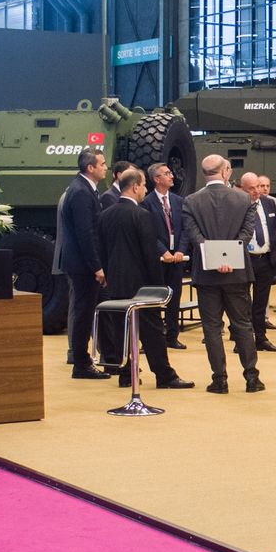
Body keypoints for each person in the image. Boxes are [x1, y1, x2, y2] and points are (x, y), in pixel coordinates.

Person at [98, 167, 193, 391]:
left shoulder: (105, 215)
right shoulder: (142, 215)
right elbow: (150, 254)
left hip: (116, 283)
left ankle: (125, 374)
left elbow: (102, 251)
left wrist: (110, 276)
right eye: (143, 186)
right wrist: (157, 285)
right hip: (142, 285)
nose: (145, 190)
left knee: (122, 328)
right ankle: (164, 375)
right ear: (135, 187)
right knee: (152, 331)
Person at [181, 153, 264, 394]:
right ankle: (251, 378)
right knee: (242, 325)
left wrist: (215, 259)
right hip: (237, 274)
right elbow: (246, 233)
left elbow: (195, 237)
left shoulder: (190, 201)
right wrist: (229, 259)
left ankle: (220, 380)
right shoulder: (244, 199)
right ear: (226, 171)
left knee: (212, 328)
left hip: (207, 275)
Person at [57, 148, 109, 379]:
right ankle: (81, 363)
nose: (105, 167)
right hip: (82, 265)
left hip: (82, 263)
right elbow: (85, 233)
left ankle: (90, 359)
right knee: (83, 314)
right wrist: (96, 266)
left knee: (87, 312)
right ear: (91, 167)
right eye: (102, 164)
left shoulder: (86, 189)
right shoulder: (80, 192)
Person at [142, 163, 188, 352]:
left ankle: (172, 336)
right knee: (154, 299)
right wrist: (163, 251)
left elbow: (185, 229)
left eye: (170, 173)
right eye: (166, 173)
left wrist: (180, 251)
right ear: (156, 179)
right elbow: (148, 232)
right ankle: (153, 339)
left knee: (174, 298)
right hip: (158, 260)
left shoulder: (178, 201)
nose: (171, 176)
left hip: (176, 259)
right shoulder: (146, 202)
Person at [241, 172, 276, 352]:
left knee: (261, 302)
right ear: (243, 189)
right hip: (245, 260)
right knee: (242, 302)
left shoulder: (269, 203)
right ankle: (241, 340)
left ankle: (261, 339)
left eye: (258, 187)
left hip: (265, 259)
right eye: (251, 188)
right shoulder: (238, 205)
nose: (256, 191)